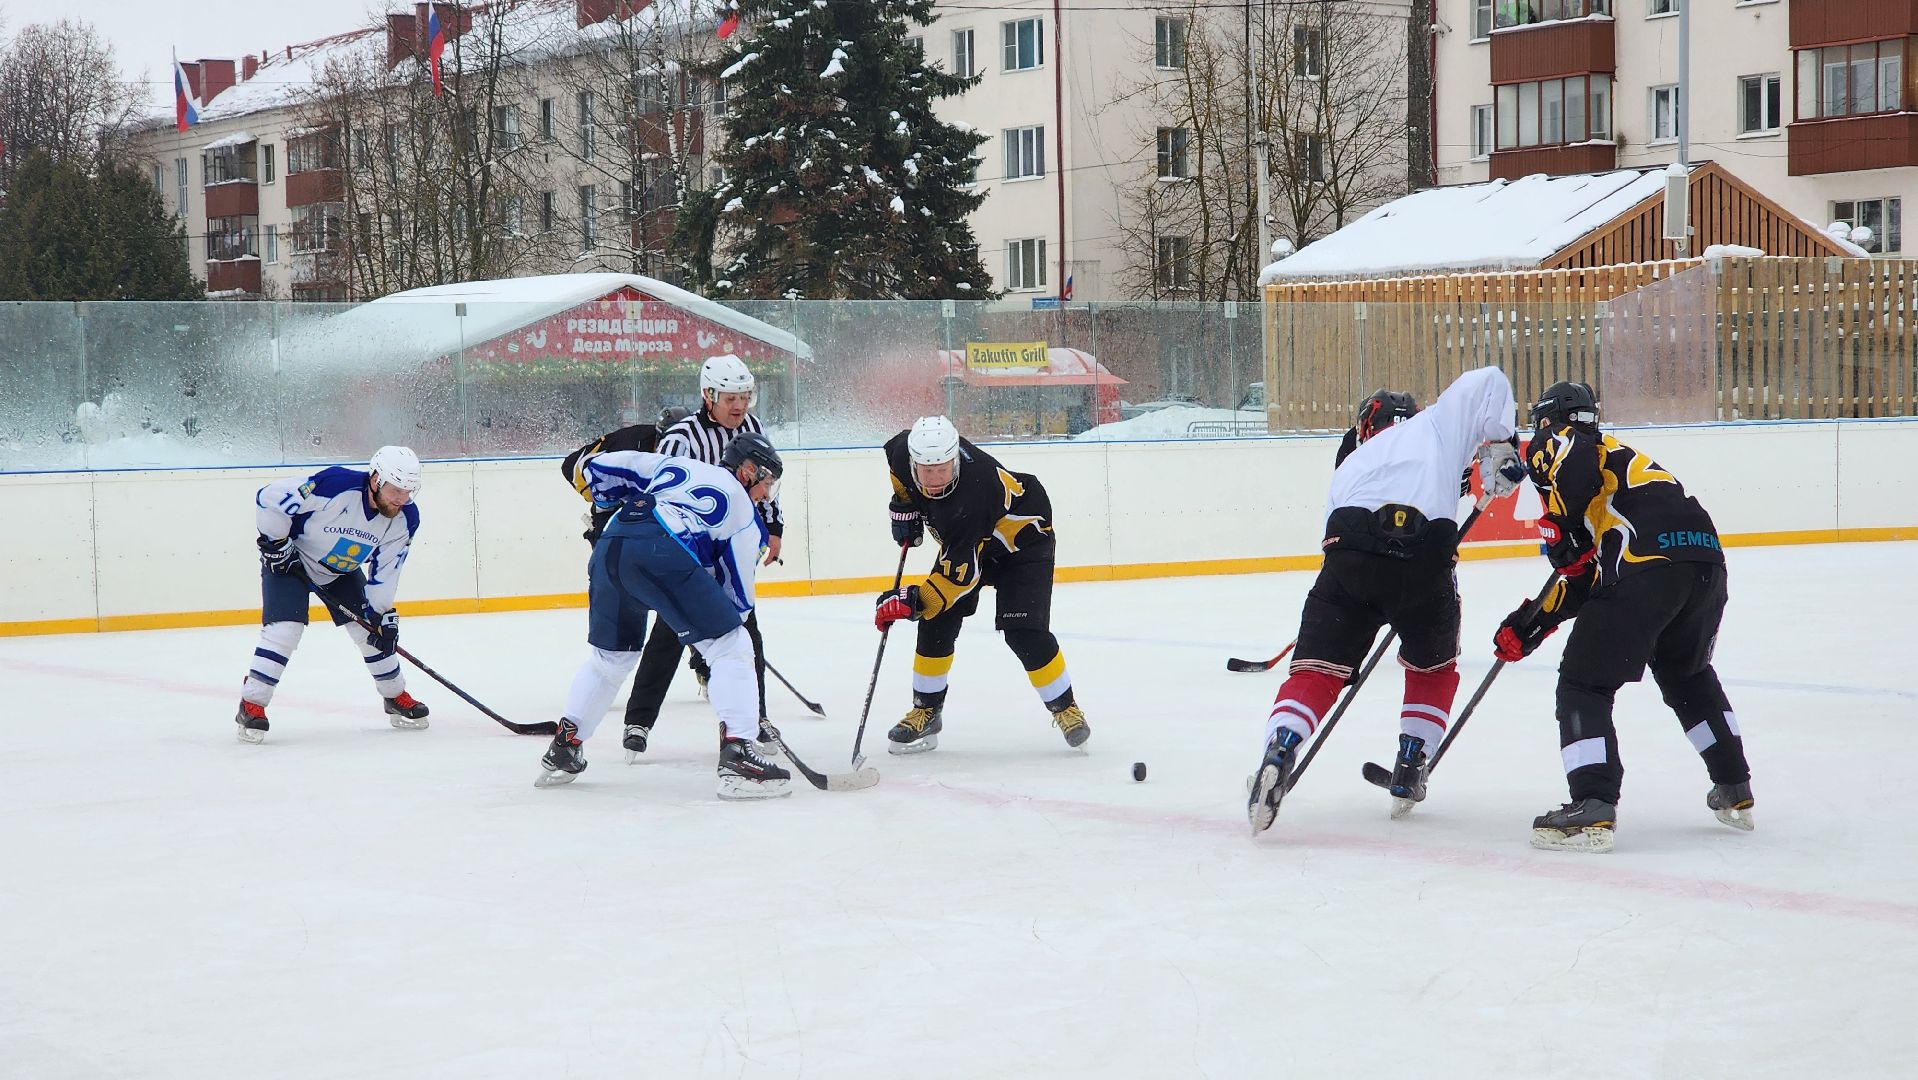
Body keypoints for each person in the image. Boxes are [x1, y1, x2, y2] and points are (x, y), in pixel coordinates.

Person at [1247, 367, 1524, 833]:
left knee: (1317, 670)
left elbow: (1334, 532)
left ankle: (1281, 745)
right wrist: (1502, 445)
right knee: (1432, 668)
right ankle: (1412, 760)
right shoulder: (1435, 424)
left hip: (1349, 556)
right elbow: (1490, 380)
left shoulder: (1352, 458)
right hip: (1423, 557)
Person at [1493, 381, 1754, 853]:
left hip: (1646, 565)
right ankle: (1734, 786)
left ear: (1550, 419)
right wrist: (1531, 624)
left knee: (1583, 684)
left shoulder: (1569, 442)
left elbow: (1570, 462)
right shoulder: (1620, 462)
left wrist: (1561, 524)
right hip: (1705, 564)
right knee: (1687, 675)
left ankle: (1592, 802)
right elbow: (1587, 576)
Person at [536, 432, 792, 799]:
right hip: (663, 553)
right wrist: (710, 632)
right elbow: (736, 599)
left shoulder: (676, 465)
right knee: (732, 646)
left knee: (611, 659)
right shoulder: (745, 515)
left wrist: (608, 508)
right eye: (767, 482)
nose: (766, 494)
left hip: (611, 546)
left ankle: (565, 746)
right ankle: (739, 755)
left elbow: (599, 468)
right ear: (748, 470)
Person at [873, 415, 1089, 753]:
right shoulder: (903, 451)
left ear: (956, 458)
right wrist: (902, 505)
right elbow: (898, 474)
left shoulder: (972, 494)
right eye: (926, 471)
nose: (934, 479)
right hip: (970, 543)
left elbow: (956, 580)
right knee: (937, 623)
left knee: (1024, 632)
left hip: (1022, 544)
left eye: (942, 469)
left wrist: (911, 600)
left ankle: (1065, 708)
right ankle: (926, 709)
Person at [620, 356, 783, 760]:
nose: (740, 406)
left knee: (747, 635)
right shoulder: (682, 438)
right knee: (669, 634)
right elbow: (661, 494)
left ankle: (755, 717)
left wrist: (774, 527)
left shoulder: (753, 429)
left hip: (728, 551)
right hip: (684, 552)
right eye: (730, 397)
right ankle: (637, 721)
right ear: (708, 395)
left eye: (745, 397)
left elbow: (767, 482)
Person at [236, 446, 428, 743]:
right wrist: (275, 543)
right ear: (376, 479)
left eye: (408, 491)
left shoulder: (404, 519)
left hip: (340, 571)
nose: (402, 499)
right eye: (396, 490)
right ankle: (252, 703)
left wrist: (380, 613)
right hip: (291, 563)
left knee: (372, 632)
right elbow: (268, 497)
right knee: (286, 630)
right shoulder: (335, 485)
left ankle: (395, 696)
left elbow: (387, 569)